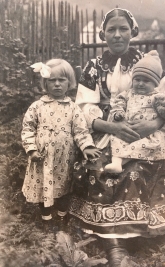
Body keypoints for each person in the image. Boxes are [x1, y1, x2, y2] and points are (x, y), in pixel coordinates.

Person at [69, 8, 165, 266]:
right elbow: (83, 107)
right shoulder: (94, 67)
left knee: (141, 167)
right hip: (106, 130)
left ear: (133, 32)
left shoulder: (149, 64)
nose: (117, 35)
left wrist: (152, 124)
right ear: (102, 34)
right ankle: (114, 242)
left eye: (123, 29)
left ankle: (144, 235)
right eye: (111, 30)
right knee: (104, 168)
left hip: (144, 133)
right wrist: (112, 127)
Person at [21, 59, 101, 233]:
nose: (57, 84)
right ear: (45, 83)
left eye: (62, 80)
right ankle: (46, 219)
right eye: (52, 80)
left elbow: (81, 131)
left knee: (64, 188)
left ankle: (63, 216)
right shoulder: (37, 106)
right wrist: (32, 149)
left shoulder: (73, 108)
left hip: (64, 159)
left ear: (69, 82)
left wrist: (86, 146)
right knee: (44, 187)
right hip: (42, 158)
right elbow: (27, 129)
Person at [104, 51, 165, 173]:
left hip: (148, 134)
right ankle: (116, 163)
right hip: (127, 130)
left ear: (155, 83)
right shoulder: (128, 94)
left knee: (149, 145)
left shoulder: (157, 97)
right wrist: (118, 113)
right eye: (137, 79)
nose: (140, 83)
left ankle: (123, 162)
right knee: (116, 140)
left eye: (146, 81)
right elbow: (119, 103)